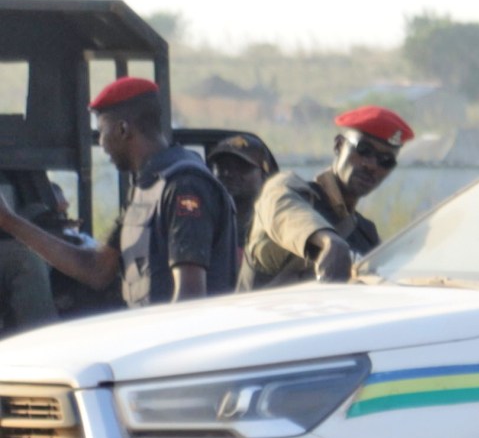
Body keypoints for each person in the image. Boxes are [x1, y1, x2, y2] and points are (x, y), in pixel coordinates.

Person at [0, 77, 237, 309]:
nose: (101, 143)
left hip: (179, 334)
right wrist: (9, 221)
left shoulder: (184, 187)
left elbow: (190, 298)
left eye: (102, 131)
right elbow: (97, 270)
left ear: (123, 129)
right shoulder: (146, 186)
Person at [241, 106, 412, 289]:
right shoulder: (291, 193)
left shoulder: (367, 236)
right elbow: (282, 208)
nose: (372, 165)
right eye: (364, 150)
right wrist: (328, 241)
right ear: (339, 145)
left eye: (385, 160)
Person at [206, 132, 279, 279]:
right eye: (221, 167)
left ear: (264, 174)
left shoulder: (274, 224)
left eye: (241, 167)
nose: (228, 173)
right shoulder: (207, 222)